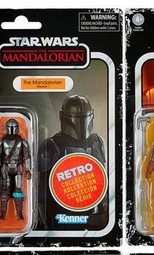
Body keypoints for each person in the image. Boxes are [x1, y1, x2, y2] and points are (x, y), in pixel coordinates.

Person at [38, 95, 107, 230]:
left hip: (95, 219)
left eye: (83, 117)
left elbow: (103, 182)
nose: (79, 123)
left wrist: (104, 214)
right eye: (76, 117)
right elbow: (42, 194)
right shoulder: (51, 146)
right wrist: (48, 226)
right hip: (62, 219)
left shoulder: (97, 142)